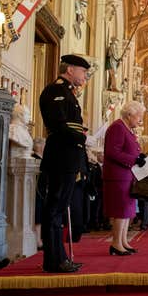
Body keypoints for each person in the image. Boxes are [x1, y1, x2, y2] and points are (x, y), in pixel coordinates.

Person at [38, 54, 90, 273]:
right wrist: (83, 138)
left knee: (59, 209)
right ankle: (53, 260)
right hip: (60, 156)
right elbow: (59, 126)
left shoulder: (68, 93)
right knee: (54, 209)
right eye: (83, 71)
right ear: (70, 69)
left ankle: (59, 257)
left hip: (68, 157)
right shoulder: (55, 91)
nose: (85, 76)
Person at [103, 101, 146, 256]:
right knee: (120, 211)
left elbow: (128, 150)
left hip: (126, 175)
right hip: (117, 176)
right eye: (138, 116)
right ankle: (116, 244)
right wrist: (134, 160)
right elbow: (112, 152)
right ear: (129, 115)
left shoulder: (127, 129)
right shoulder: (117, 127)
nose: (140, 120)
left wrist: (138, 157)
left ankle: (123, 241)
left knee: (127, 211)